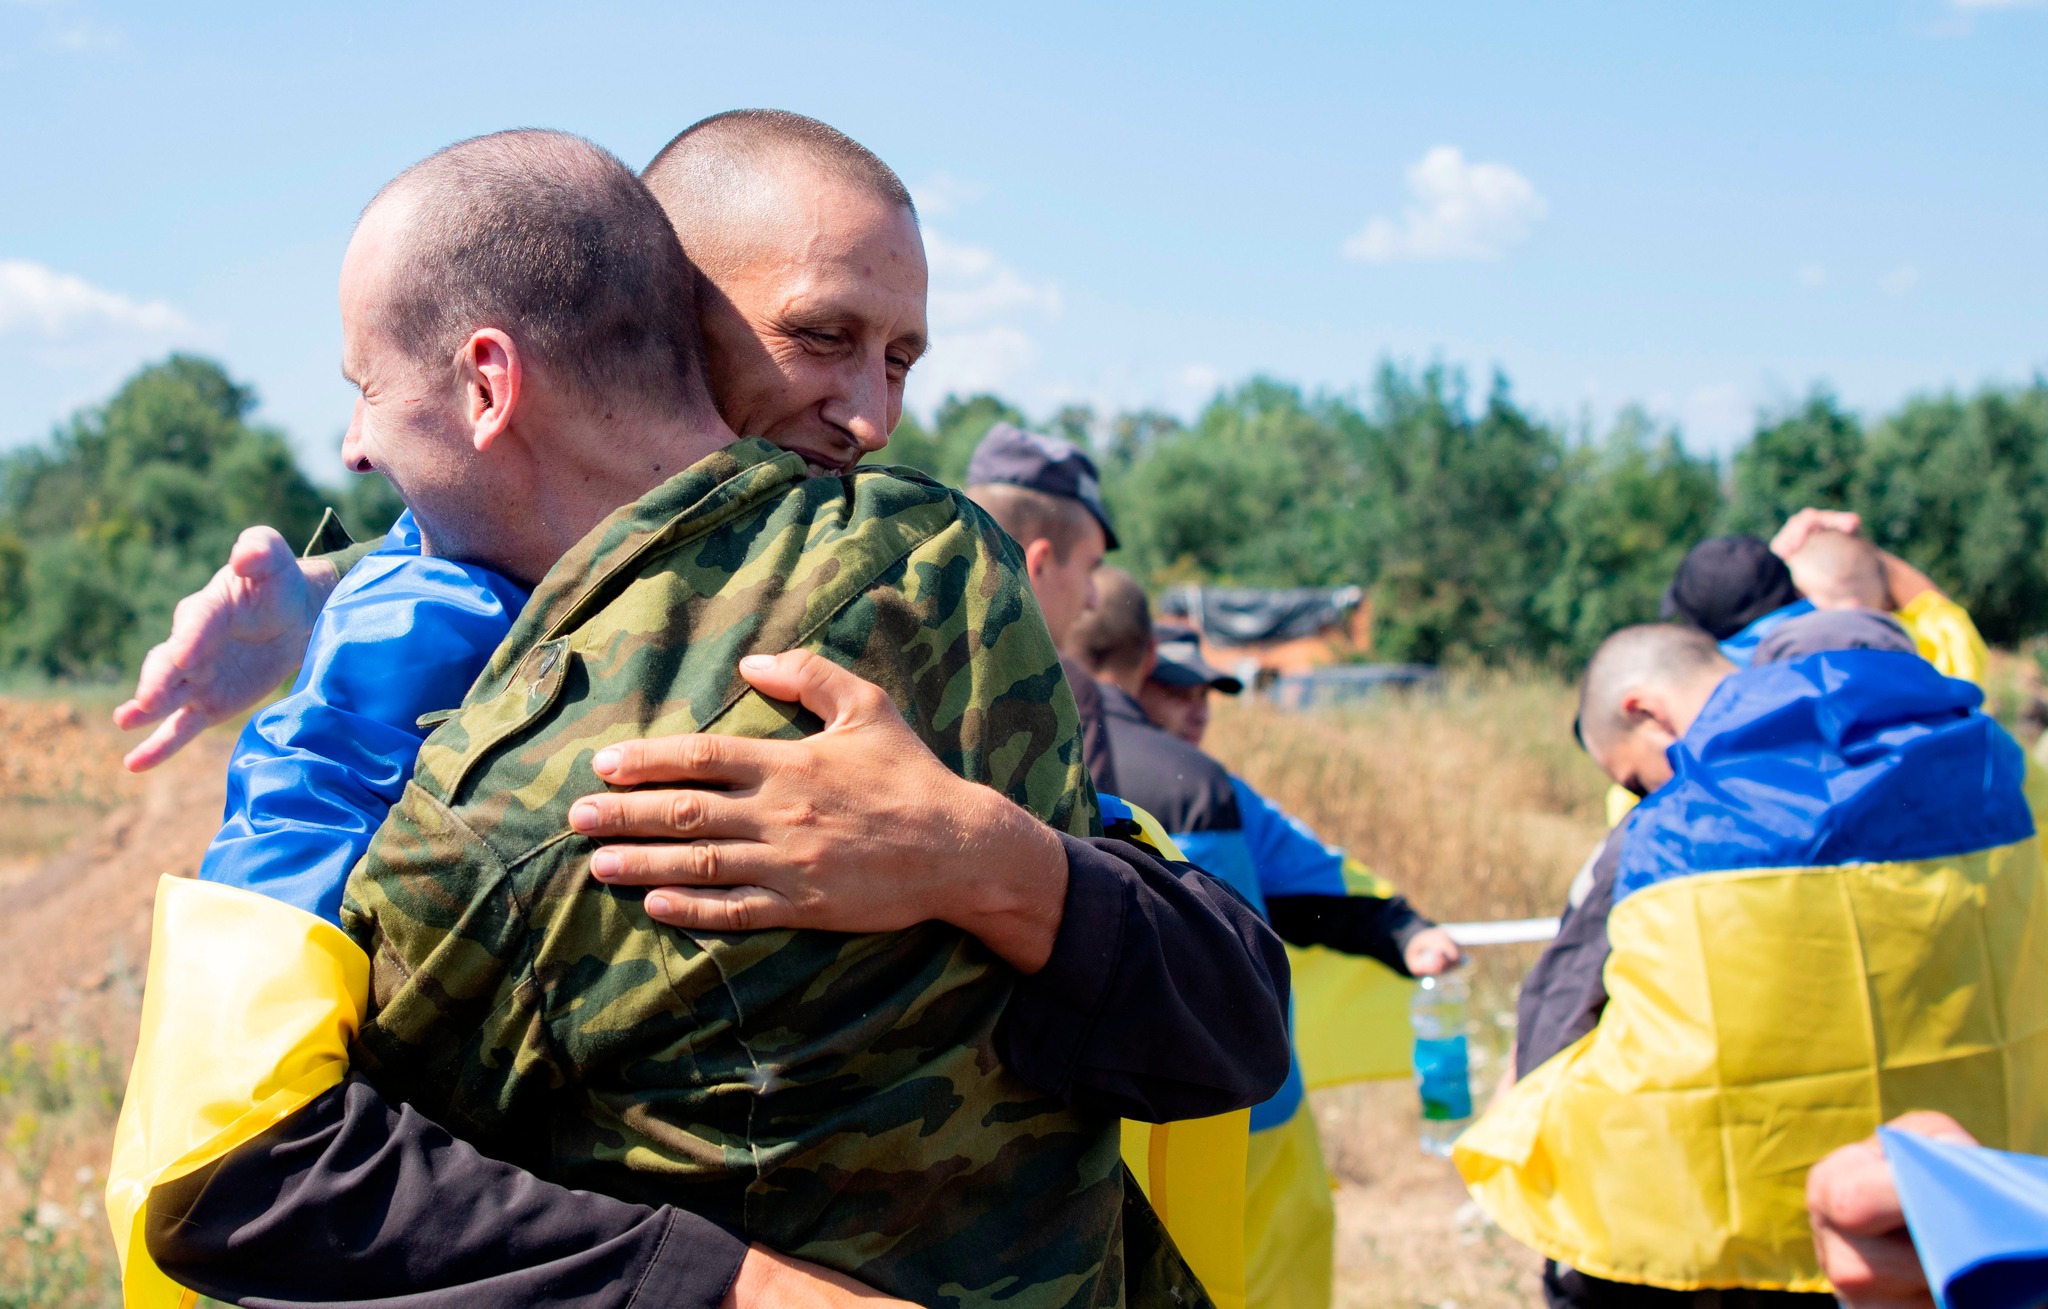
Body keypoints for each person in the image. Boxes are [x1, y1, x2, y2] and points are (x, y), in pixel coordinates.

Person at [113, 127, 1289, 1309]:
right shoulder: (915, 574)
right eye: (819, 338)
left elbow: (1232, 1015)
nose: (872, 417)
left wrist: (985, 861)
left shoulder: (914, 608)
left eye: (901, 359)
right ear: (665, 318)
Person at [1459, 623, 2048, 1308]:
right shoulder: (2006, 779)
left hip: (1728, 1238)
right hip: (1974, 1218)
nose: (1640, 789)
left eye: (1628, 774)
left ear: (1644, 712)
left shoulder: (1680, 818)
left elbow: (1557, 1016)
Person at [1068, 567, 1461, 1309]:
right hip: (1230, 1124)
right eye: (1179, 690)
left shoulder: (1015, 758)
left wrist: (1404, 930)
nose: (1197, 710)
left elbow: (1318, 885)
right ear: (1140, 665)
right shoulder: (1200, 786)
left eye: (1205, 694)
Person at [964, 421, 1119, 794]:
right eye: (1090, 569)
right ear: (1041, 564)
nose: (1093, 599)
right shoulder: (1062, 686)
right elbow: (1087, 849)